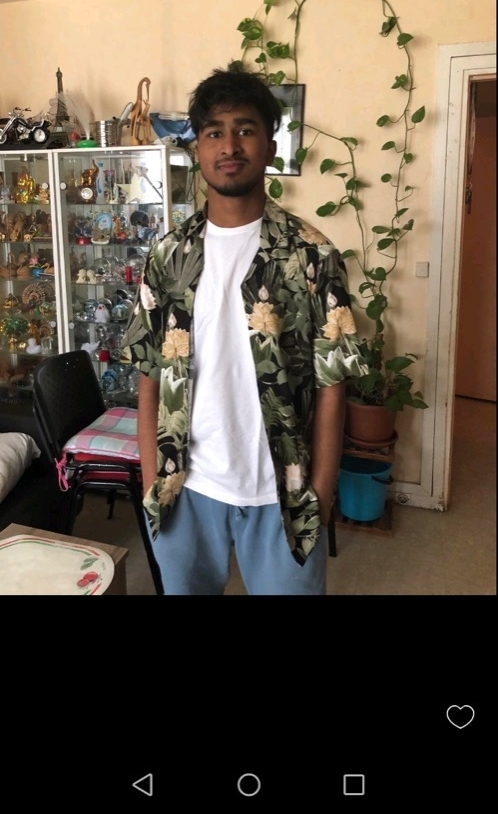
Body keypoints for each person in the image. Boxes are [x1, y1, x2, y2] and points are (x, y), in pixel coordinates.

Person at [122, 67, 367, 595]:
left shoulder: (312, 255)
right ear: (198, 148)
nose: (229, 146)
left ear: (270, 145)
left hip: (283, 493)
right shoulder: (169, 256)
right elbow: (149, 372)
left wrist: (321, 492)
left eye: (245, 129)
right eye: (214, 132)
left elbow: (333, 384)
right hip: (184, 489)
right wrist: (150, 477)